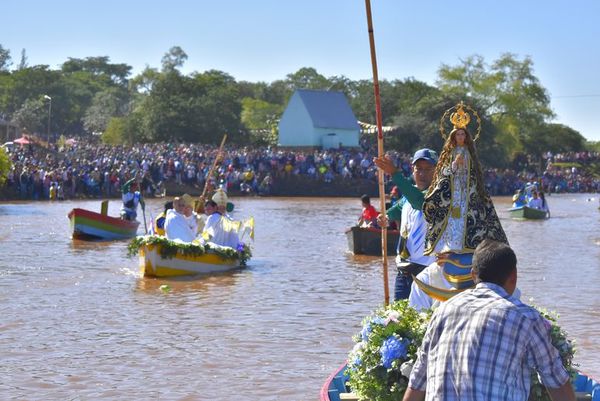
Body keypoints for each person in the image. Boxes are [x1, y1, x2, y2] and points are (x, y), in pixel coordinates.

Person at [403, 240, 576, 401]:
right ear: (513, 276)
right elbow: (556, 380)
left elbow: (418, 381)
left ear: (473, 275)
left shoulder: (443, 311)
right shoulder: (525, 318)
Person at [410, 102, 508, 310]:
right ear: (453, 137)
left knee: (471, 219)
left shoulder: (470, 155)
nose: (461, 139)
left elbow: (475, 176)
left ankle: (470, 249)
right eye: (458, 136)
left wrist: (469, 177)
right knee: (453, 221)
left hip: (467, 195)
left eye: (464, 136)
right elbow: (444, 176)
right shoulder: (449, 157)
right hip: (453, 195)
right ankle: (451, 249)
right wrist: (454, 168)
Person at [374, 148, 438, 300]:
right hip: (404, 270)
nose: (422, 174)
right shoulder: (408, 195)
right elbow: (394, 212)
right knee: (398, 317)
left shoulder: (438, 195)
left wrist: (395, 173)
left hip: (427, 271)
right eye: (419, 169)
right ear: (412, 170)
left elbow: (418, 202)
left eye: (428, 169)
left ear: (437, 171)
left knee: (422, 318)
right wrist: (385, 218)